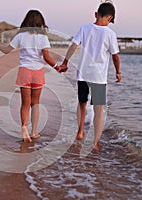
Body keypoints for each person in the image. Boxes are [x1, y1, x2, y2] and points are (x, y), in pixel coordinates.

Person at [58, 2, 121, 151]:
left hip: (83, 75)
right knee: (98, 108)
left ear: (95, 14)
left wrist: (65, 62)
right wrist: (118, 72)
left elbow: (73, 45)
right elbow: (115, 56)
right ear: (110, 17)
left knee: (82, 104)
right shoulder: (110, 34)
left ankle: (80, 132)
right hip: (99, 78)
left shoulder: (84, 28)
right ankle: (95, 142)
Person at [0, 10, 59, 142]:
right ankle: (34, 132)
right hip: (38, 72)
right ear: (40, 23)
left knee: (25, 103)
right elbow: (46, 57)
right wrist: (57, 67)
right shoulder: (43, 38)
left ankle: (23, 128)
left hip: (24, 71)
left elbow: (6, 51)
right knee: (36, 103)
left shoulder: (20, 36)